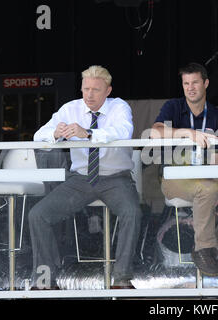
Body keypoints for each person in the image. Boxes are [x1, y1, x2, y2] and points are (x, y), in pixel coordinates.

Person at [29, 65, 142, 288]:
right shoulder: (70, 109)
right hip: (80, 180)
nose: (89, 95)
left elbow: (122, 132)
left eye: (96, 90)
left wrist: (88, 133)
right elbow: (37, 135)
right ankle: (46, 280)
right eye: (85, 89)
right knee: (37, 215)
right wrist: (55, 133)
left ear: (108, 91)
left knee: (132, 213)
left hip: (115, 178)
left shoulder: (119, 107)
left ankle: (121, 279)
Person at [150, 62, 218, 276]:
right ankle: (203, 249)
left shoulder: (217, 116)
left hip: (210, 177)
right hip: (175, 177)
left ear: (206, 83)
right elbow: (155, 132)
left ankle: (217, 245)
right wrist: (189, 134)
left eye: (195, 83)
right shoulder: (173, 106)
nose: (190, 88)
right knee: (207, 189)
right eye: (185, 83)